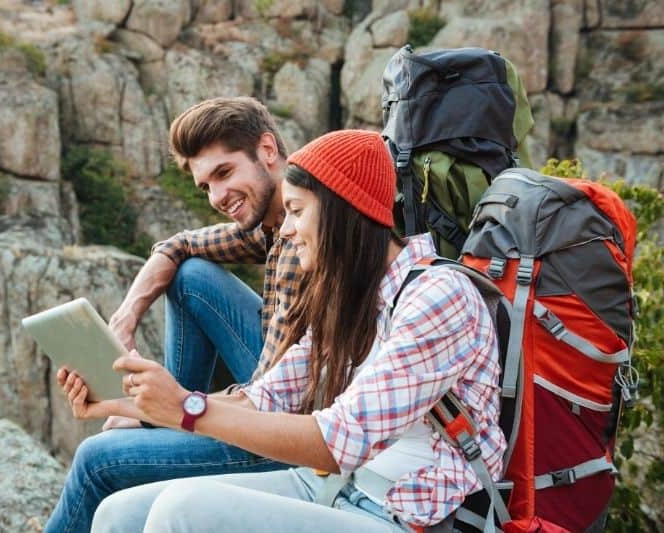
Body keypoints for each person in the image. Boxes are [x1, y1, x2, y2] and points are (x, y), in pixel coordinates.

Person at [68, 130, 506, 532]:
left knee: (182, 508)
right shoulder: (351, 301)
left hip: (414, 517)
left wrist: (187, 408)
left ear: (343, 209)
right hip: (343, 490)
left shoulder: (437, 297)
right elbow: (264, 397)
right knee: (117, 514)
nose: (288, 229)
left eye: (297, 210)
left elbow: (340, 441)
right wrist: (136, 405)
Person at [46, 97, 302, 532]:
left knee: (94, 461)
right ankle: (169, 426)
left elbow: (270, 402)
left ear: (267, 150)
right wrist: (124, 319)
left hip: (288, 435)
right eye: (206, 186)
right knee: (191, 275)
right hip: (278, 392)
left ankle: (170, 423)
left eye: (224, 173)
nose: (217, 197)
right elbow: (177, 246)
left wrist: (154, 409)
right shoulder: (275, 220)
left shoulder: (305, 240)